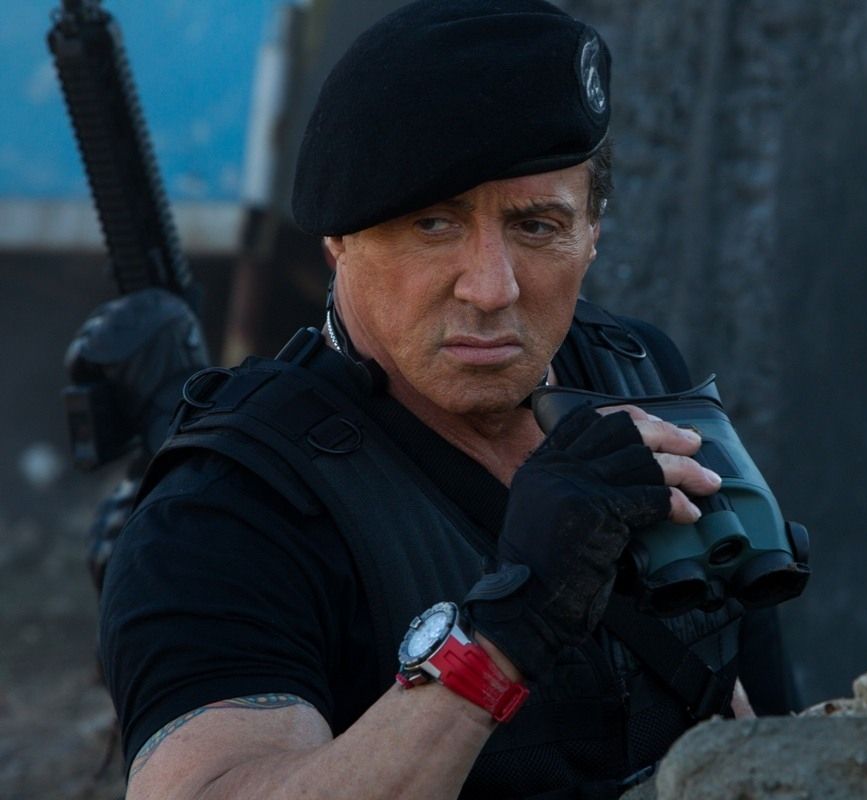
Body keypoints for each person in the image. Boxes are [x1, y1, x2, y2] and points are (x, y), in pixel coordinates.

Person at [94, 1, 799, 798]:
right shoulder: (229, 511)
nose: (491, 289)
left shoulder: (638, 378)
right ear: (338, 241)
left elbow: (773, 732)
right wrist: (504, 634)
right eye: (432, 225)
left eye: (537, 226)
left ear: (594, 231)